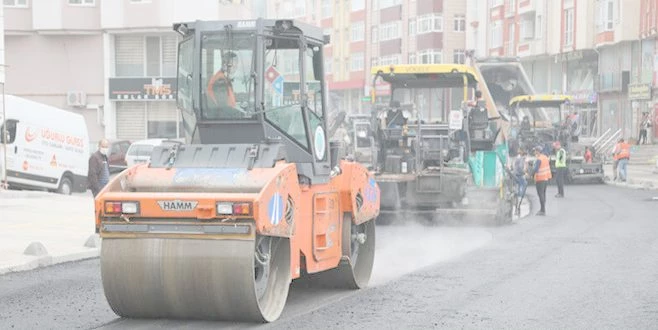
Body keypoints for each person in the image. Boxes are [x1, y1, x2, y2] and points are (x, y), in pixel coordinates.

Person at [531, 145, 552, 216]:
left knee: (540, 194)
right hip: (545, 178)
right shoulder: (545, 158)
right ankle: (543, 209)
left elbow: (535, 169)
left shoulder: (539, 159)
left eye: (535, 151)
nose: (534, 152)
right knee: (543, 194)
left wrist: (531, 175)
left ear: (537, 151)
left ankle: (542, 210)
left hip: (540, 179)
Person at [512, 149, 528, 215]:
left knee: (518, 187)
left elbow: (514, 167)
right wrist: (524, 173)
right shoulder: (521, 159)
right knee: (523, 185)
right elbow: (520, 168)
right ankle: (518, 203)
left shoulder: (517, 158)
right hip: (519, 175)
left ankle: (517, 204)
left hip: (515, 175)